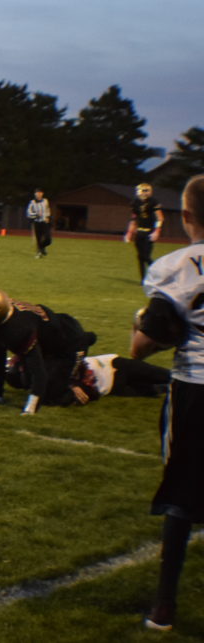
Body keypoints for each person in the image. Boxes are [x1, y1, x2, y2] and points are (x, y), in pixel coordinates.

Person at [130, 174, 204, 632]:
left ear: (187, 216)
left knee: (181, 494)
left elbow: (142, 346)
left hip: (195, 386)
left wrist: (145, 325)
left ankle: (164, 607)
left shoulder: (178, 266)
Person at [0, 287, 97, 415]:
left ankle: (84, 383)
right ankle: (59, 376)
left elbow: (39, 373)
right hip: (49, 341)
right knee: (14, 377)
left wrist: (30, 409)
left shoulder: (18, 330)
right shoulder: (3, 315)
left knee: (50, 396)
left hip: (71, 344)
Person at [125, 182, 164, 281]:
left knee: (146, 256)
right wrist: (129, 233)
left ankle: (158, 275)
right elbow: (134, 219)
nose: (141, 193)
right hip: (139, 231)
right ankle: (143, 280)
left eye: (144, 190)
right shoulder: (135, 203)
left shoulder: (153, 202)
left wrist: (157, 231)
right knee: (140, 256)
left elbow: (160, 218)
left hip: (149, 232)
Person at [26, 188, 52, 258]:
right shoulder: (32, 202)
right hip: (37, 223)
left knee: (48, 239)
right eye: (37, 193)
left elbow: (47, 209)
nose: (39, 194)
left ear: (42, 194)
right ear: (35, 194)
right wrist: (35, 215)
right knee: (38, 238)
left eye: (40, 193)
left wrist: (48, 217)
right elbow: (28, 213)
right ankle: (39, 252)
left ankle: (42, 247)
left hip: (44, 222)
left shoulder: (45, 201)